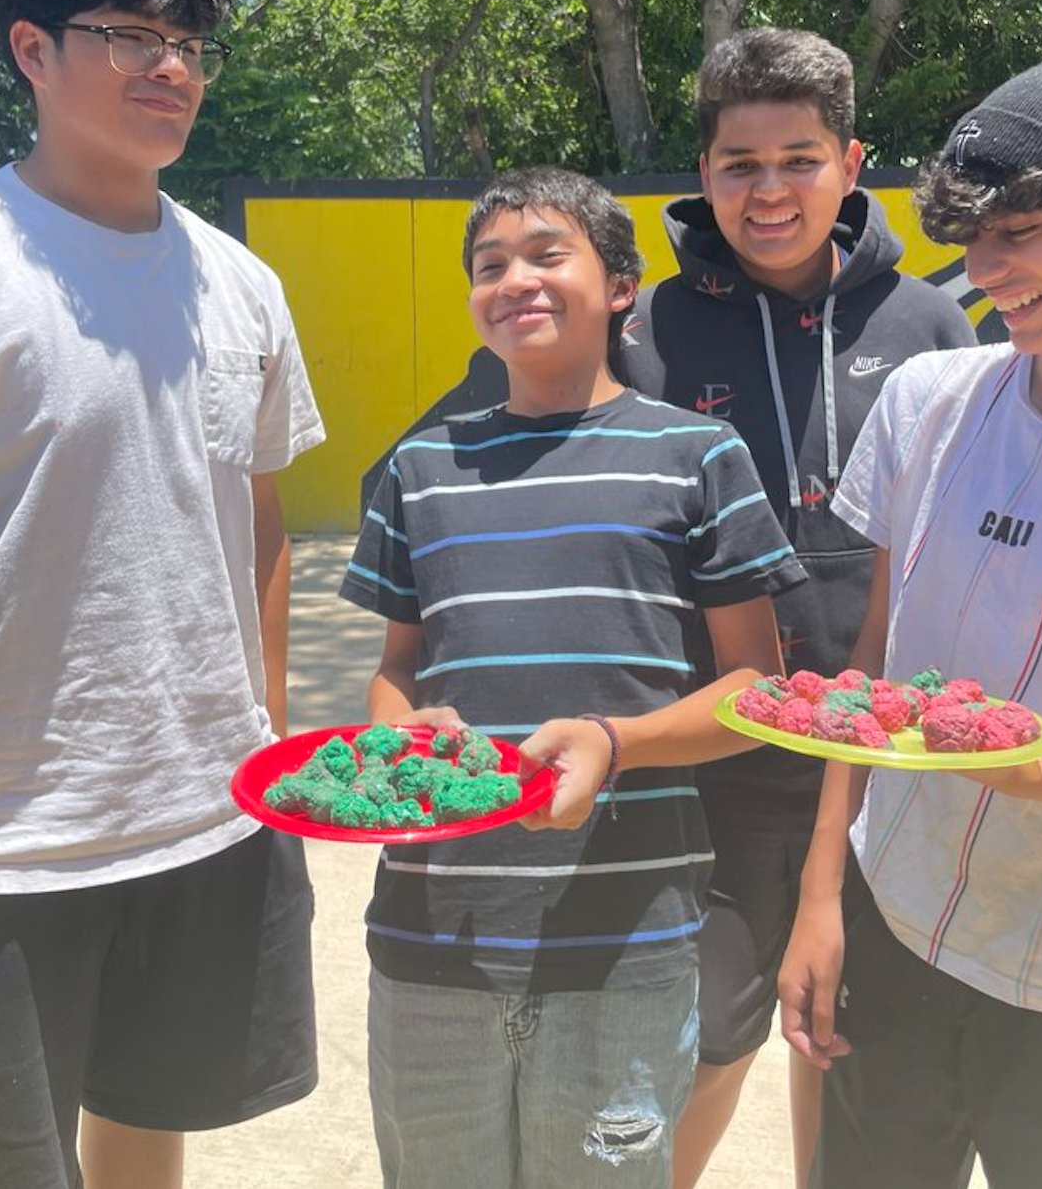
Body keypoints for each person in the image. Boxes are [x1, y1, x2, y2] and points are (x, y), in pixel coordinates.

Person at [339, 165, 805, 1189]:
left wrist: (616, 741)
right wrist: (402, 741)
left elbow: (757, 692)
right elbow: (394, 674)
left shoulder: (697, 456)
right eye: (489, 264)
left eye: (548, 255)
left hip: (625, 944)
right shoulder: (421, 469)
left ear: (622, 284)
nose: (516, 280)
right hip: (434, 936)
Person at [778, 49, 1042, 1189]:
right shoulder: (931, 403)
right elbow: (867, 679)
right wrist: (824, 899)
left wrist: (1026, 770)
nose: (984, 266)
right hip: (897, 918)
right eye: (973, 233)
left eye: (1023, 230)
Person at [0, 0, 324, 1189]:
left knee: (145, 1130)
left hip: (202, 815)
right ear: (30, 51)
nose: (169, 68)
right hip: (7, 837)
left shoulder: (242, 280)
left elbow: (261, 519)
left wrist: (273, 753)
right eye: (127, 33)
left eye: (188, 41)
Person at [616, 26, 974, 1183]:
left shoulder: (929, 326)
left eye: (800, 159)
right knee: (706, 1037)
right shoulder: (651, 335)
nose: (769, 191)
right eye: (739, 164)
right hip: (717, 756)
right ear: (704, 173)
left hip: (882, 761)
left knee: (837, 1032)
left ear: (852, 159)